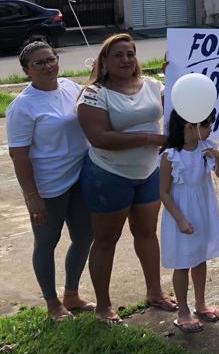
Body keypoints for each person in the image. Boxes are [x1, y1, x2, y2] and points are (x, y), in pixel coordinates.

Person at [77, 33, 175, 324]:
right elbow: (99, 137)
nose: (126, 60)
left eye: (130, 54)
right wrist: (150, 138)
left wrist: (178, 74)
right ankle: (103, 305)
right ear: (104, 62)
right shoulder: (94, 94)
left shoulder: (154, 86)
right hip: (108, 176)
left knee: (147, 233)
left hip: (148, 173)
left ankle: (155, 292)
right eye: (118, 55)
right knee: (106, 240)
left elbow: (183, 105)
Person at [7, 42, 93, 322]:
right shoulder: (23, 106)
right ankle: (52, 303)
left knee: (84, 237)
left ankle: (72, 295)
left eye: (51, 59)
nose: (47, 66)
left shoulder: (69, 87)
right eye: (39, 63)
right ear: (26, 71)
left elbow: (92, 100)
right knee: (46, 242)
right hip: (48, 186)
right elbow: (18, 154)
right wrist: (32, 196)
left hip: (79, 177)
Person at [159, 110, 219, 334]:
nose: (210, 130)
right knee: (182, 263)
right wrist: (180, 220)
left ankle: (200, 303)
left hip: (202, 211)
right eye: (206, 125)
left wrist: (218, 157)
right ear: (189, 126)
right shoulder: (170, 156)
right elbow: (164, 192)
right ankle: (183, 311)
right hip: (181, 214)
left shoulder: (206, 149)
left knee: (199, 258)